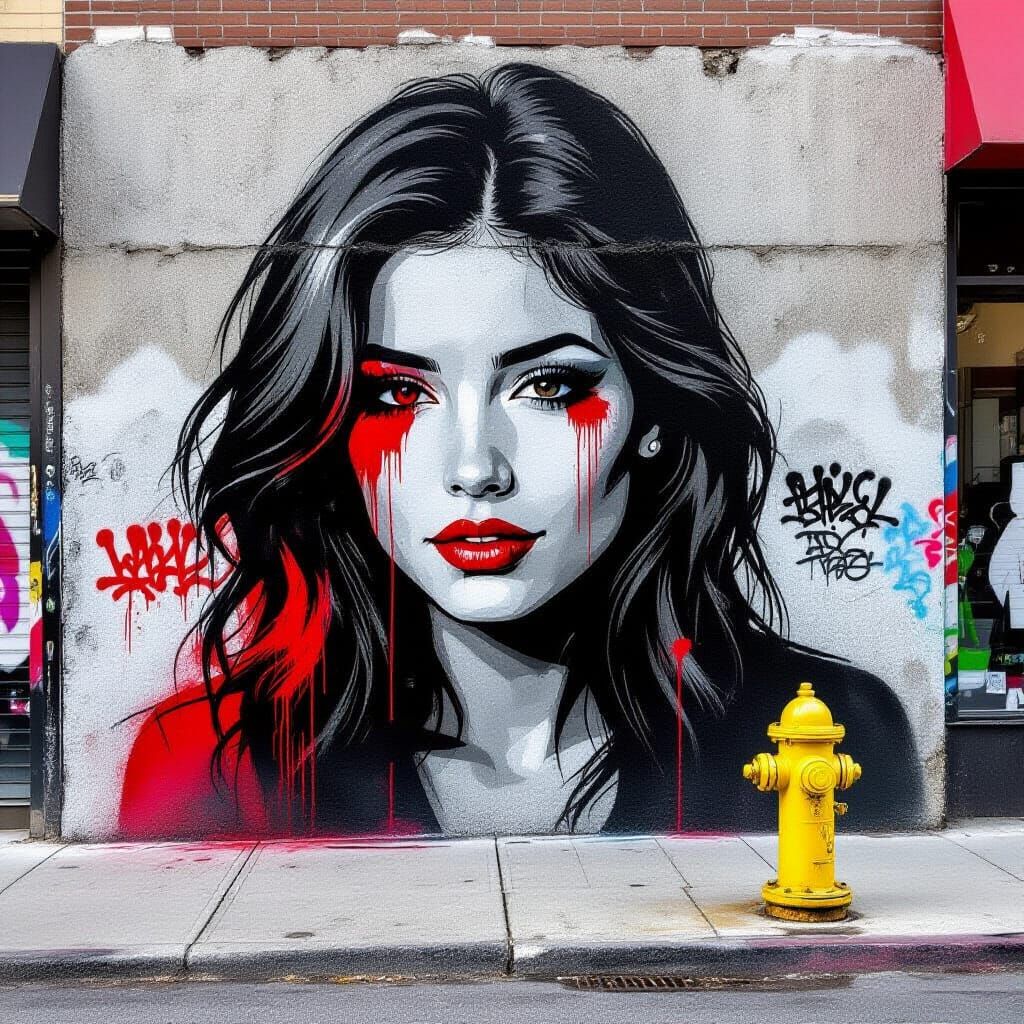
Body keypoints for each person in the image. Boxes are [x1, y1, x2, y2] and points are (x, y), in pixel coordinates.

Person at [119, 63, 923, 839]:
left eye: (546, 388)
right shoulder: (211, 766)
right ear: (330, 426)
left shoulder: (827, 736)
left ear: (652, 407)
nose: (475, 469)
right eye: (399, 395)